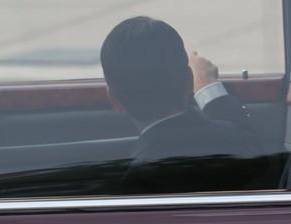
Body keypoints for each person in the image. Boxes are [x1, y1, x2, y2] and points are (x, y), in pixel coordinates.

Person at [99, 16, 274, 194]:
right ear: (189, 82)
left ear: (114, 100)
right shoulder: (241, 145)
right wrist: (208, 86)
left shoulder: (138, 180)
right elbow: (239, 130)